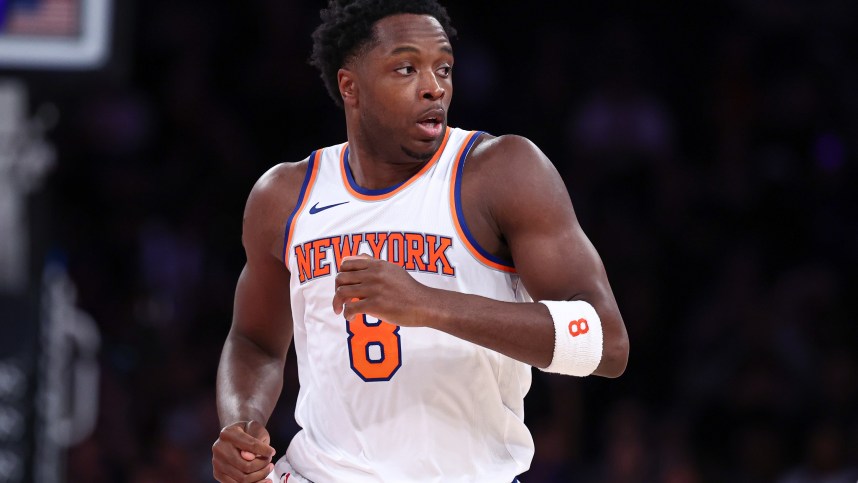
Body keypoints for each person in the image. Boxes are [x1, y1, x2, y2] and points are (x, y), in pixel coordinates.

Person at [212, 1, 630, 482]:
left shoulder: (500, 171)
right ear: (350, 87)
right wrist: (242, 423)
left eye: (444, 67)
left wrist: (427, 304)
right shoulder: (283, 195)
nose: (435, 86)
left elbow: (606, 344)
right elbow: (254, 341)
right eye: (406, 68)